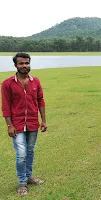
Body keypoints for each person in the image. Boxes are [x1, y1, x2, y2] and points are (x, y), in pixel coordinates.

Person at [1, 52, 47, 196]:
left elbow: (40, 101)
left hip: (33, 123)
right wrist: (9, 125)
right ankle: (22, 182)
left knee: (30, 151)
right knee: (21, 154)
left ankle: (29, 176)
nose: (24, 66)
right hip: (17, 125)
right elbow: (6, 105)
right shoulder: (7, 83)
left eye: (27, 63)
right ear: (15, 65)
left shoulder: (36, 81)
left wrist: (44, 120)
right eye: (21, 63)